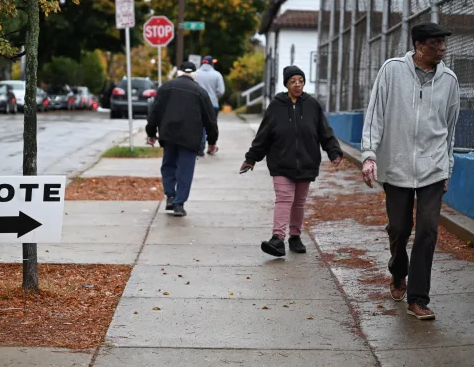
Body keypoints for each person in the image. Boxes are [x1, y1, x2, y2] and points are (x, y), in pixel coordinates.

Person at [361, 21, 460, 321]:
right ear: (418, 45)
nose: (442, 48)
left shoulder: (450, 80)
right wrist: (369, 155)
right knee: (400, 228)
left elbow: (451, 130)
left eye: (444, 43)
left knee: (428, 230)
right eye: (435, 43)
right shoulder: (392, 70)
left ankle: (418, 298)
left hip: (433, 168)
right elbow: (375, 114)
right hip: (397, 165)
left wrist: (447, 168)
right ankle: (397, 271)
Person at [241, 65, 343, 257]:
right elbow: (264, 134)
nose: (297, 84)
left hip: (307, 161)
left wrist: (334, 152)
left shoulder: (312, 105)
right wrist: (251, 158)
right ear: (286, 84)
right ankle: (277, 239)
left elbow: (324, 132)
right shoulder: (276, 105)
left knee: (299, 202)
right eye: (293, 81)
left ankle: (294, 236)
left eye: (301, 81)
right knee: (284, 199)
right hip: (281, 162)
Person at [146, 61, 219, 216]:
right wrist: (212, 141)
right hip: (190, 137)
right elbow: (210, 119)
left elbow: (155, 112)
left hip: (168, 134)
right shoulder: (200, 92)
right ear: (194, 74)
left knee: (168, 165)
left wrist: (151, 132)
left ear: (179, 72)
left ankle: (170, 196)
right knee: (185, 170)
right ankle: (179, 204)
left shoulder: (165, 87)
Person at [196, 55, 225, 156]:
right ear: (211, 63)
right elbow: (221, 91)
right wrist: (214, 96)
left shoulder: (196, 74)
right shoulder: (217, 75)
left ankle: (200, 148)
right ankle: (211, 147)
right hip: (213, 104)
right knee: (211, 126)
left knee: (200, 126)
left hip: (198, 104)